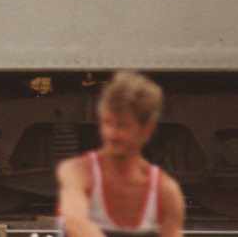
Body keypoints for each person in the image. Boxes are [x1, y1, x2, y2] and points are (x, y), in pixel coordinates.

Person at [56, 71, 185, 237]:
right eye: (107, 123)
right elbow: (76, 223)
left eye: (123, 126)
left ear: (146, 130)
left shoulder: (166, 191)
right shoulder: (76, 171)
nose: (112, 134)